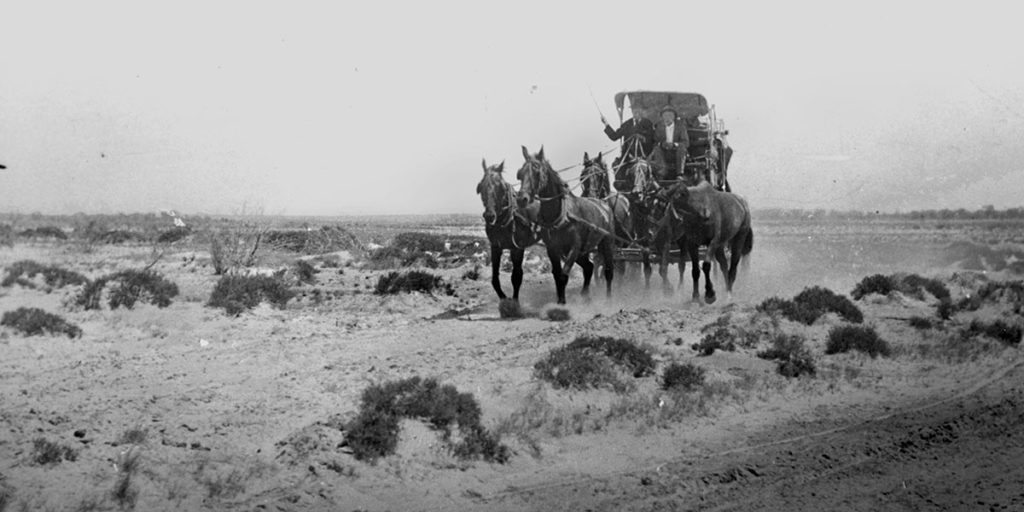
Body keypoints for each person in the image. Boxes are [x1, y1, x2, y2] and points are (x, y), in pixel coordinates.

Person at [653, 105, 689, 181]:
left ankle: (679, 174)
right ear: (662, 117)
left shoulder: (681, 127)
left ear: (674, 117)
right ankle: (662, 172)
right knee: (656, 149)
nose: (667, 118)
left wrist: (675, 145)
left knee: (682, 147)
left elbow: (686, 142)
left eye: (670, 115)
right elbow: (655, 142)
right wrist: (662, 144)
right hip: (664, 153)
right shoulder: (659, 127)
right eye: (665, 115)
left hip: (677, 152)